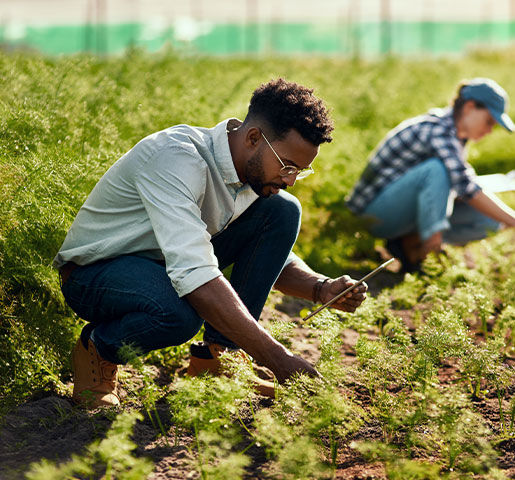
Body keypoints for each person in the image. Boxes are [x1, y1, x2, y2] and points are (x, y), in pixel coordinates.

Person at [54, 78, 367, 407]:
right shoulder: (177, 159)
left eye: (300, 171)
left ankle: (219, 360)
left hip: (161, 264)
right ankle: (97, 348)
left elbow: (266, 258)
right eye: (288, 166)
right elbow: (195, 274)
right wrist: (278, 358)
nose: (290, 180)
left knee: (281, 211)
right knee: (178, 314)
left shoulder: (249, 171)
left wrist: (321, 288)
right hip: (96, 273)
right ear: (254, 138)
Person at [346, 77, 515, 273]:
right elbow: (466, 187)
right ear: (469, 107)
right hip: (374, 216)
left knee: (489, 221)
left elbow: (461, 186)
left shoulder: (456, 137)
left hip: (400, 212)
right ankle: (430, 253)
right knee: (436, 169)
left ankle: (409, 245)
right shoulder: (438, 130)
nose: (490, 130)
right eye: (489, 121)